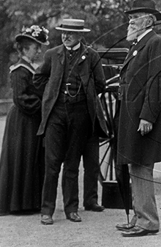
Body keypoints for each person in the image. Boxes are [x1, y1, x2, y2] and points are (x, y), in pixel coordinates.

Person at [34, 18, 107, 225]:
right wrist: (51, 95)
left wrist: (84, 97)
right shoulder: (52, 55)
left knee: (72, 164)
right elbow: (38, 79)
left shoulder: (91, 56)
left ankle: (71, 209)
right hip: (56, 115)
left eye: (70, 33)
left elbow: (101, 84)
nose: (65, 36)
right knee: (52, 164)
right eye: (63, 32)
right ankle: (46, 210)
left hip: (80, 115)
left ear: (80, 35)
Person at [115, 0, 161, 237]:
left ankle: (148, 221)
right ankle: (140, 217)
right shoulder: (140, 43)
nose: (130, 22)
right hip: (133, 115)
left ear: (148, 20)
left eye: (134, 19)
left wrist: (147, 116)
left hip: (143, 117)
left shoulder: (155, 43)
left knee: (142, 166)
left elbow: (157, 83)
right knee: (136, 165)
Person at [0, 25, 49, 215]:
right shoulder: (19, 70)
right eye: (35, 48)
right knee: (21, 157)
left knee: (30, 158)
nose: (38, 51)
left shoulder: (30, 69)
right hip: (22, 120)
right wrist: (42, 106)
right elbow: (20, 98)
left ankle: (29, 202)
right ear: (25, 49)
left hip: (30, 120)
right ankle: (18, 204)